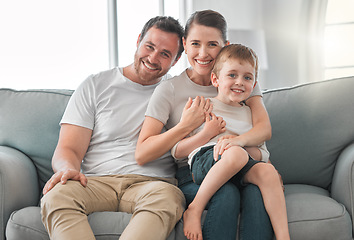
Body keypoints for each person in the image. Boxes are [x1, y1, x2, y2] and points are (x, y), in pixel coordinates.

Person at [40, 16, 188, 240]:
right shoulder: (96, 84)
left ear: (175, 61)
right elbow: (68, 148)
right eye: (149, 46)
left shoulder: (177, 93)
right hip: (95, 182)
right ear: (139, 40)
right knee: (56, 196)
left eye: (165, 54)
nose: (153, 57)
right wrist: (67, 169)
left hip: (152, 185)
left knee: (168, 198)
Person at [136, 10, 274, 240]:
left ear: (225, 45)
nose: (203, 53)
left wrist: (243, 150)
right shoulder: (170, 90)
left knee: (257, 192)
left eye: (212, 44)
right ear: (184, 45)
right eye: (195, 44)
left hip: (241, 165)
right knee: (226, 193)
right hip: (194, 172)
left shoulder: (239, 80)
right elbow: (143, 152)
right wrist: (184, 126)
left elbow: (261, 129)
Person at [176, 44, 290, 240]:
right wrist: (210, 136)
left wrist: (238, 143)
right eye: (232, 75)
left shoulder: (250, 114)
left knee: (267, 170)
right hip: (205, 163)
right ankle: (195, 209)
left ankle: (284, 236)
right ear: (215, 79)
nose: (239, 82)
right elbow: (177, 150)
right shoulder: (203, 106)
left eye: (247, 77)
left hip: (240, 166)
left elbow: (262, 154)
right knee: (236, 154)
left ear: (254, 85)